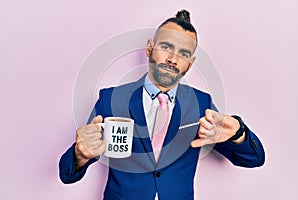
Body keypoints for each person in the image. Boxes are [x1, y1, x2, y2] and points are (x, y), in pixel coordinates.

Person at [59, 10, 265, 200]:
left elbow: (253, 159)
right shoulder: (112, 98)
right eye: (166, 47)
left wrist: (239, 134)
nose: (173, 59)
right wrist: (80, 153)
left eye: (184, 54)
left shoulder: (202, 104)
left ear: (190, 63)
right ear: (150, 48)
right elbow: (67, 174)